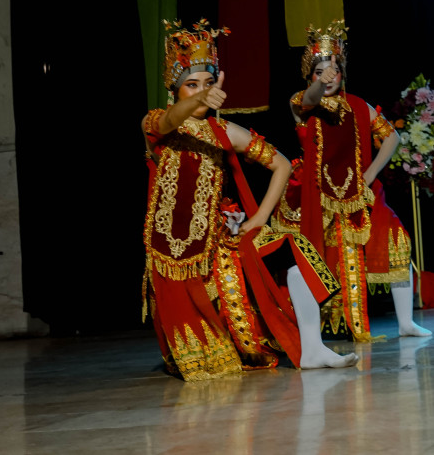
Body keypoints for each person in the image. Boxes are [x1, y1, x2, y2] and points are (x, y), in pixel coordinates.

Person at [143, 20, 356, 381]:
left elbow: (282, 165)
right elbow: (169, 121)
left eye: (208, 83)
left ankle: (312, 348)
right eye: (192, 85)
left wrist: (259, 218)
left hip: (218, 243)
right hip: (172, 255)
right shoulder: (156, 126)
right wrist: (198, 100)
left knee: (293, 247)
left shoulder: (224, 131)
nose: (202, 91)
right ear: (175, 89)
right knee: (209, 364)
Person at [279, 20, 431, 341]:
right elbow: (310, 99)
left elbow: (392, 138)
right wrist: (320, 83)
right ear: (309, 77)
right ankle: (325, 328)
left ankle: (406, 322)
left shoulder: (359, 106)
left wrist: (371, 173)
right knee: (325, 258)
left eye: (333, 70)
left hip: (359, 193)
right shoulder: (301, 103)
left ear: (343, 74)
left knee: (397, 241)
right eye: (319, 72)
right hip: (317, 195)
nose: (327, 77)